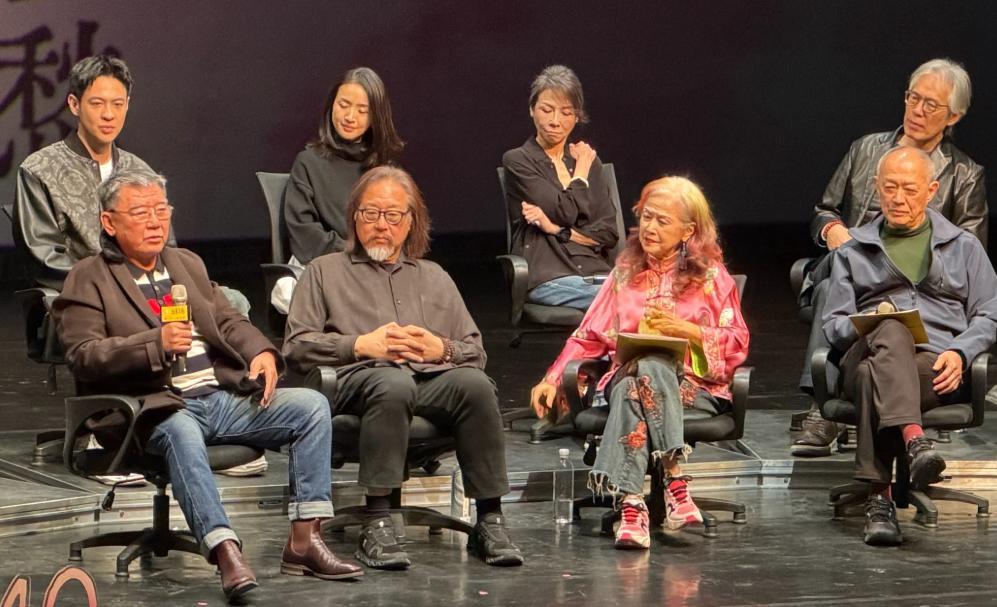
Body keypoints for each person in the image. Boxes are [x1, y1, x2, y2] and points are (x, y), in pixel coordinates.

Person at [52, 170, 363, 600]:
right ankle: (224, 550)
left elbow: (227, 320)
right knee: (180, 429)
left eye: (161, 210)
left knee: (309, 406)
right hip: (150, 408)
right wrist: (154, 344)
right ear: (109, 222)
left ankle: (305, 541)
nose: (155, 222)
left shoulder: (185, 263)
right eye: (140, 213)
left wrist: (260, 351)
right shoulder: (89, 277)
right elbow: (84, 355)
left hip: (217, 397)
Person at [283, 166, 524, 569]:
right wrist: (359, 344)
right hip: (354, 384)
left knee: (476, 386)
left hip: (425, 382)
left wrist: (441, 349)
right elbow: (296, 347)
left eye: (393, 215)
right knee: (392, 382)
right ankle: (376, 520)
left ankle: (490, 519)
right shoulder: (323, 271)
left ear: (411, 222)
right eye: (371, 213)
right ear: (354, 217)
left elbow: (475, 352)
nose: (382, 225)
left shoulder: (433, 276)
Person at [530, 176, 749, 549]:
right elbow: (588, 335)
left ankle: (631, 505)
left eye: (663, 221)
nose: (650, 227)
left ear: (687, 231)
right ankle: (675, 480)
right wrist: (552, 379)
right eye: (646, 217)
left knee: (640, 378)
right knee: (646, 363)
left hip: (692, 388)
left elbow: (737, 343)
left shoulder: (712, 278)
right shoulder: (625, 273)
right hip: (625, 376)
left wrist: (687, 331)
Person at [794, 58, 987, 456]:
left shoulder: (964, 173)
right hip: (853, 263)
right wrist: (834, 231)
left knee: (887, 333)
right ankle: (823, 407)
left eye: (931, 105)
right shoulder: (866, 149)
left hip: (916, 283)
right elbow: (823, 210)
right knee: (831, 286)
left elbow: (969, 244)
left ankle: (881, 463)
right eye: (913, 98)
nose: (917, 110)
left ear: (954, 116)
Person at [822, 147, 997, 546]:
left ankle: (879, 499)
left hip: (935, 367)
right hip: (865, 350)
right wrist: (871, 321)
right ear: (876, 187)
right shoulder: (852, 250)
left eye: (909, 189)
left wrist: (961, 352)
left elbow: (990, 313)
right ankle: (915, 439)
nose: (898, 198)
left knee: (872, 377)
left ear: (931, 191)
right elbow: (833, 324)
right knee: (890, 328)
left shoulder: (964, 246)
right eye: (890, 188)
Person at [272, 67, 403, 313]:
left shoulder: (384, 170)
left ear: (376, 116)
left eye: (362, 110)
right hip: (326, 268)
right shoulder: (308, 163)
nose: (350, 116)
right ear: (331, 105)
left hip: (377, 269)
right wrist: (357, 255)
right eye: (343, 105)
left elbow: (399, 231)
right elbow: (306, 239)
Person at [501, 64, 618, 310]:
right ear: (532, 110)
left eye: (566, 113)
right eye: (547, 110)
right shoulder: (518, 160)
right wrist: (581, 173)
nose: (555, 121)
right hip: (549, 274)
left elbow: (608, 234)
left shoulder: (589, 161)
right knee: (625, 301)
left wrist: (556, 229)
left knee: (654, 296)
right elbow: (564, 212)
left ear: (577, 117)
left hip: (596, 272)